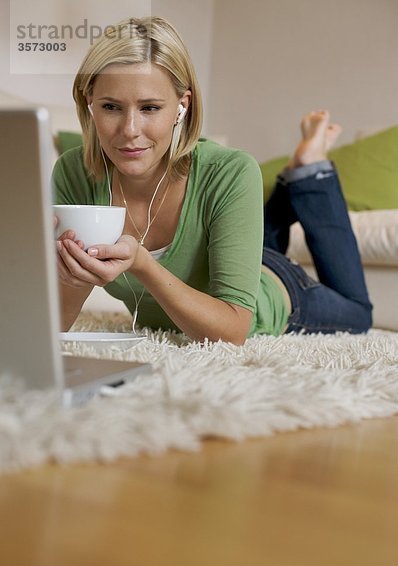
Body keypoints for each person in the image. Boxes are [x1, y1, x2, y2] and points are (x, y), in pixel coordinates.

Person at [53, 16, 372, 345]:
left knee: (360, 314)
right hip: (220, 251)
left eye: (149, 107)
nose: (130, 130)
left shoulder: (229, 170)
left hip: (271, 291)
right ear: (90, 102)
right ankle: (296, 177)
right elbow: (52, 326)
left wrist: (143, 264)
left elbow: (232, 333)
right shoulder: (73, 174)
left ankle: (310, 171)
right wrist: (71, 272)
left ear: (182, 106)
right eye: (111, 107)